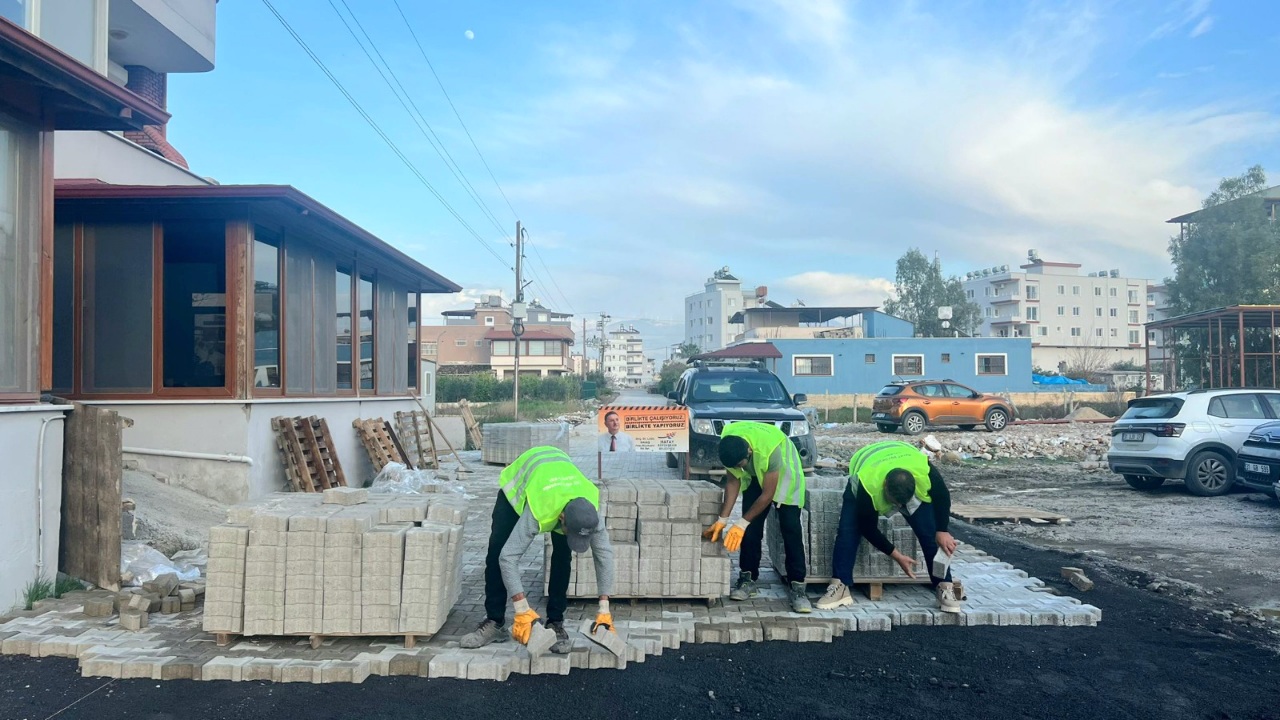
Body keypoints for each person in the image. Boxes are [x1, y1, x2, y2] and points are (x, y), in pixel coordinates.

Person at [460, 446, 616, 653]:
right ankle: (495, 622)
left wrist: (604, 608)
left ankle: (556, 622)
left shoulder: (590, 510)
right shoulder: (540, 508)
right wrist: (522, 609)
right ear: (561, 519)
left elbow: (604, 556)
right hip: (518, 490)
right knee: (498, 551)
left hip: (557, 483)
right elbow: (509, 558)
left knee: (563, 556)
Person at [815, 440, 961, 613]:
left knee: (931, 534)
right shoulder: (866, 485)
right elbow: (867, 527)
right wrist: (897, 555)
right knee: (848, 531)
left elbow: (942, 497)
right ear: (885, 486)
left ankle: (944, 585)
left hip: (903, 454)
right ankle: (840, 584)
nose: (898, 508)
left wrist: (942, 530)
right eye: (894, 503)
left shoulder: (924, 471)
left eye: (902, 505)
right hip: (867, 465)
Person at [703, 421, 811, 613]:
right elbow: (733, 481)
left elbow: (767, 495)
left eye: (740, 465)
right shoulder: (729, 444)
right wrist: (723, 519)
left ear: (749, 452)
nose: (738, 468)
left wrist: (742, 522)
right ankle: (747, 578)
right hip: (756, 471)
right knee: (751, 528)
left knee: (790, 527)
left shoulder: (771, 449)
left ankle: (798, 587)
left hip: (784, 470)